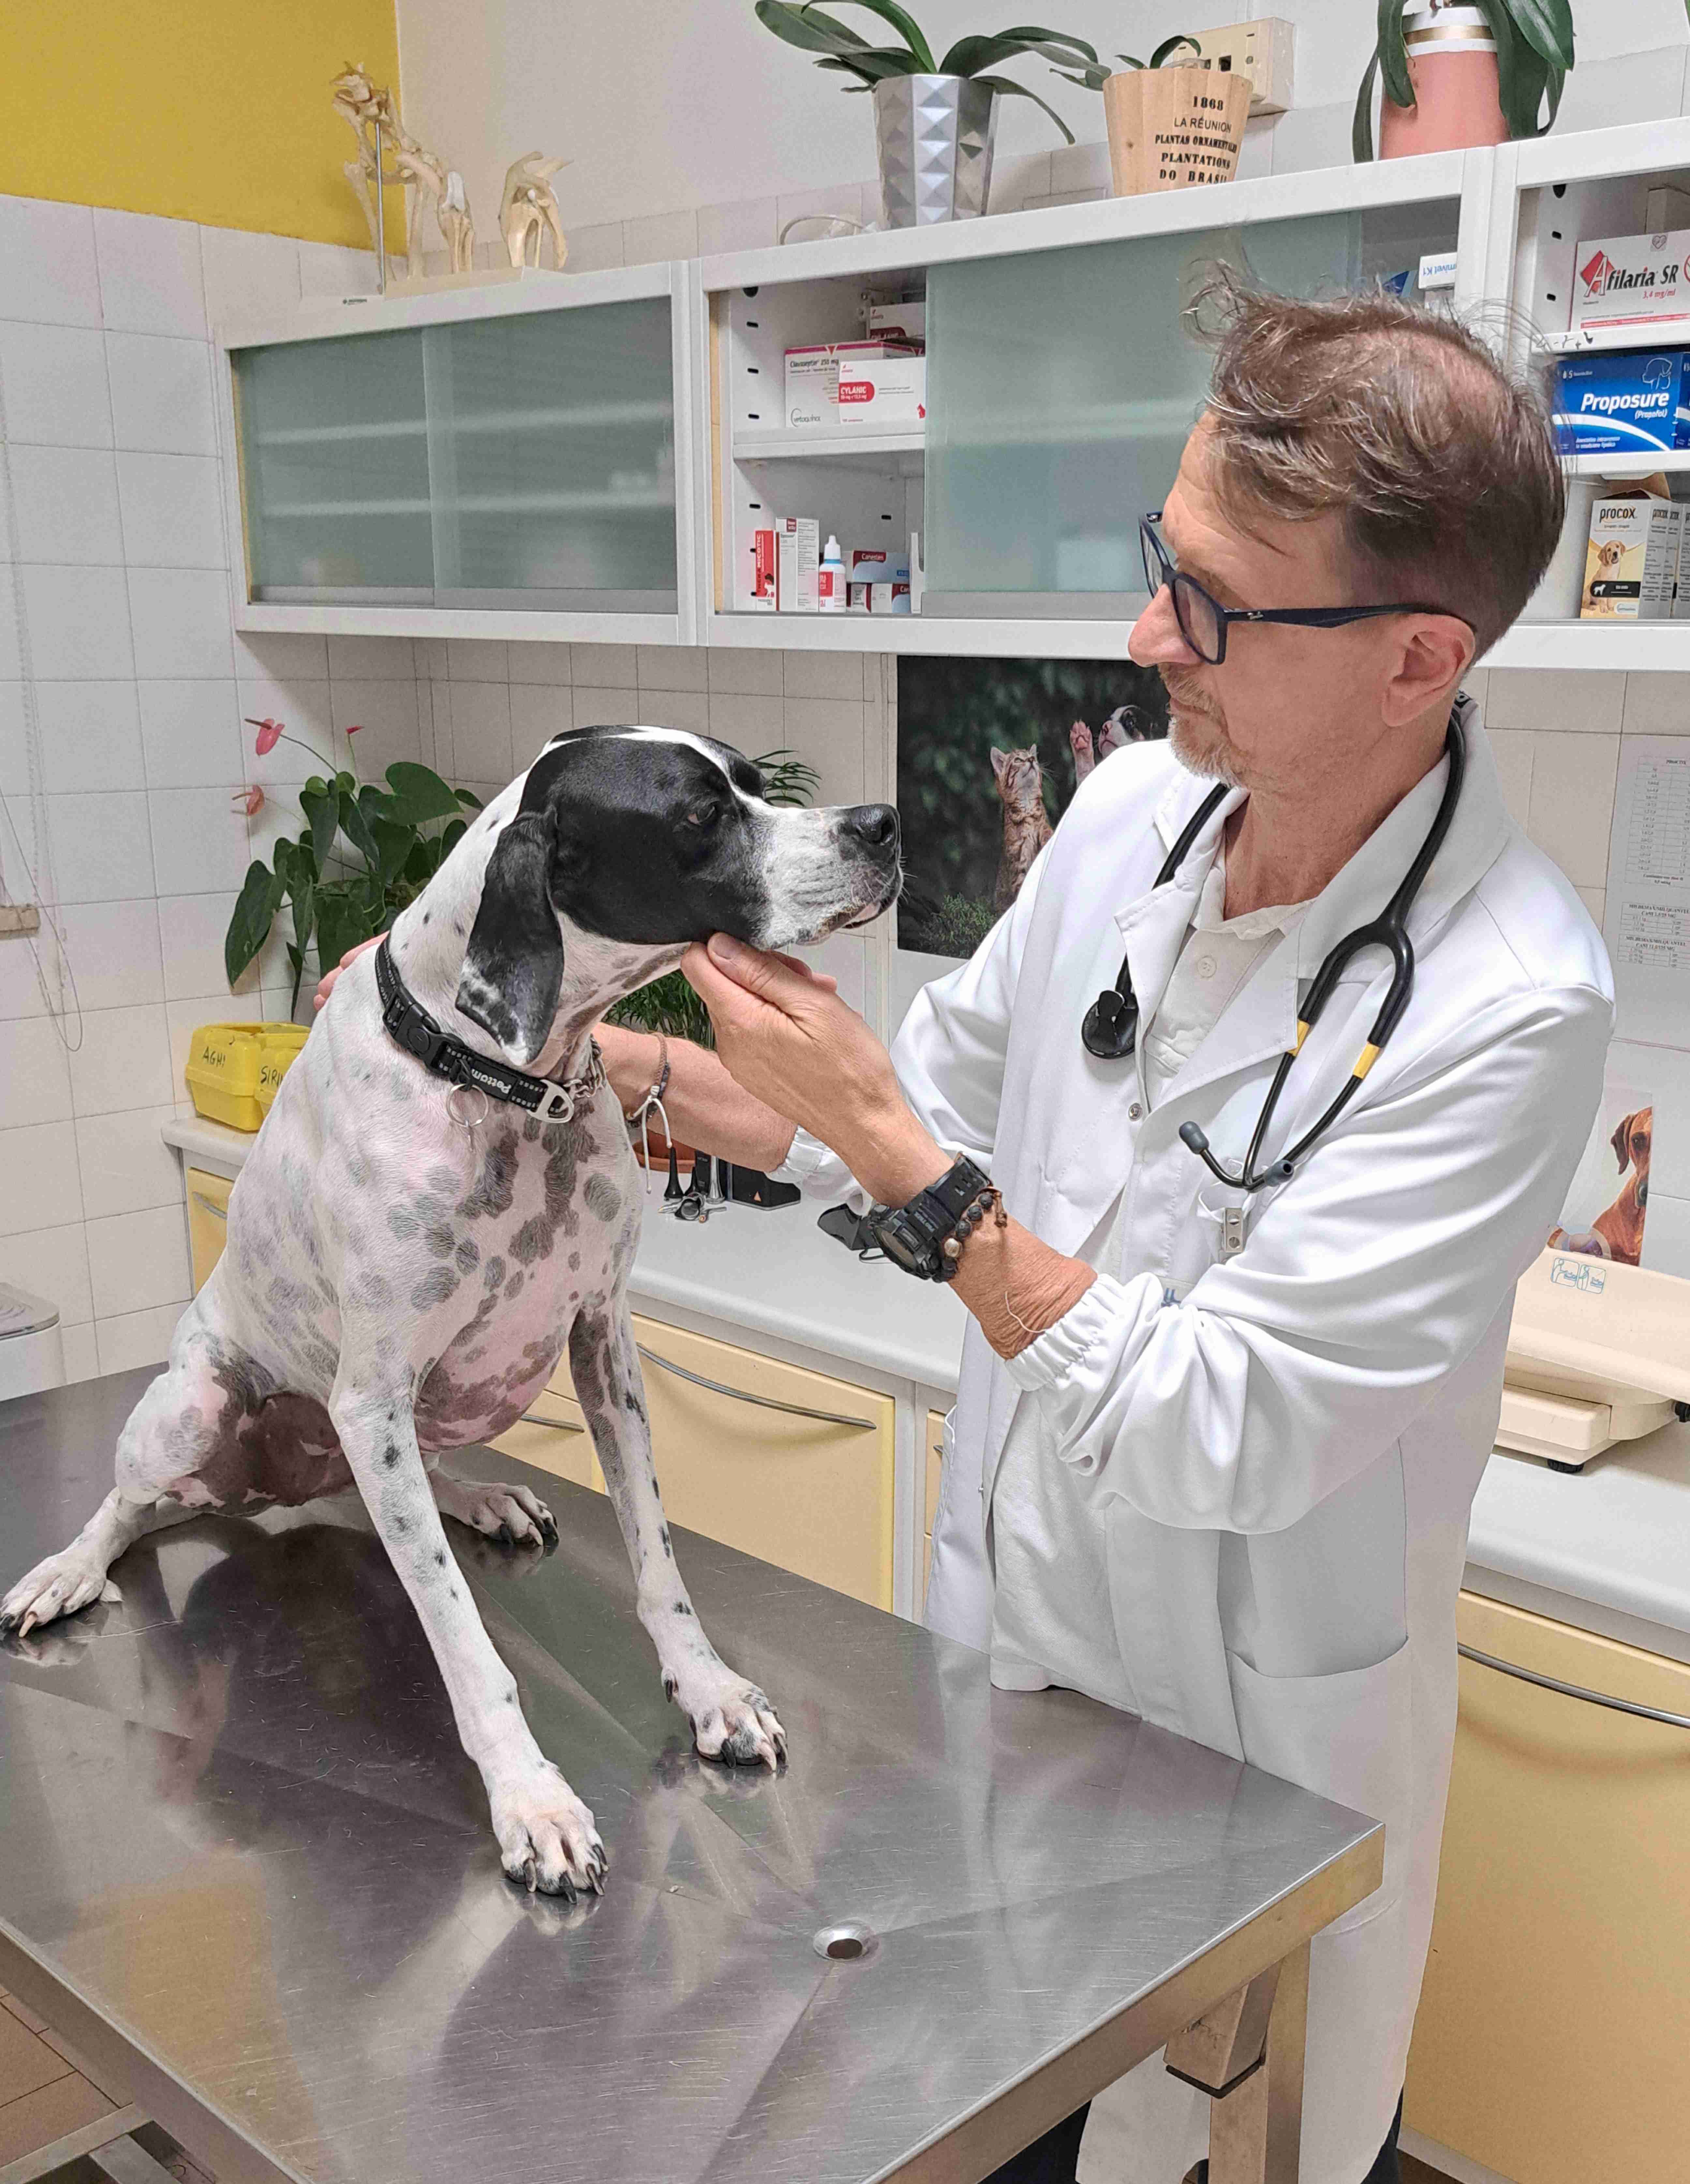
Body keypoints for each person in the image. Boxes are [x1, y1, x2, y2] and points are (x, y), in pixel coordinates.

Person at [320, 282, 1611, 2184]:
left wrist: (902, 1157)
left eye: (1212, 606)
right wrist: (573, 1060)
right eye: (1161, 561)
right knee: (988, 2124)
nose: (1144, 634)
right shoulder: (1137, 815)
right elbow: (902, 1115)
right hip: (1011, 1680)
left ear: (1419, 659)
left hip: (1252, 1764)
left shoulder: (1512, 1001)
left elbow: (1219, 1421)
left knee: (1209, 2143)